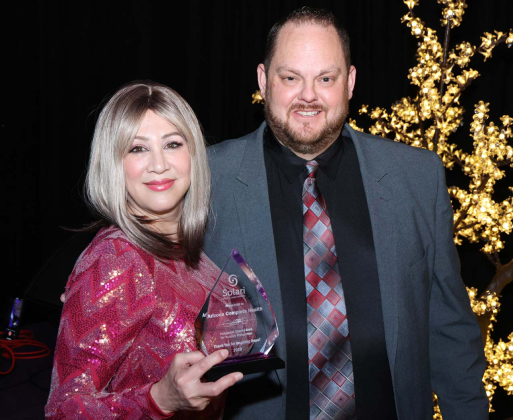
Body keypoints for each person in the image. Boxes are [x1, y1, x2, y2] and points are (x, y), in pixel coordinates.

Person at [203, 7, 488, 420]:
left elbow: (450, 332)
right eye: (290, 78)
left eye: (325, 78)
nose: (308, 96)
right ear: (263, 80)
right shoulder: (209, 180)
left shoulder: (416, 178)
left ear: (350, 82)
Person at [45, 81, 243, 419]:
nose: (159, 164)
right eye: (137, 149)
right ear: (114, 163)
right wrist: (159, 399)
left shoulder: (193, 248)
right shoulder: (116, 259)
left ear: (193, 153)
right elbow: (64, 409)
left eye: (172, 144)